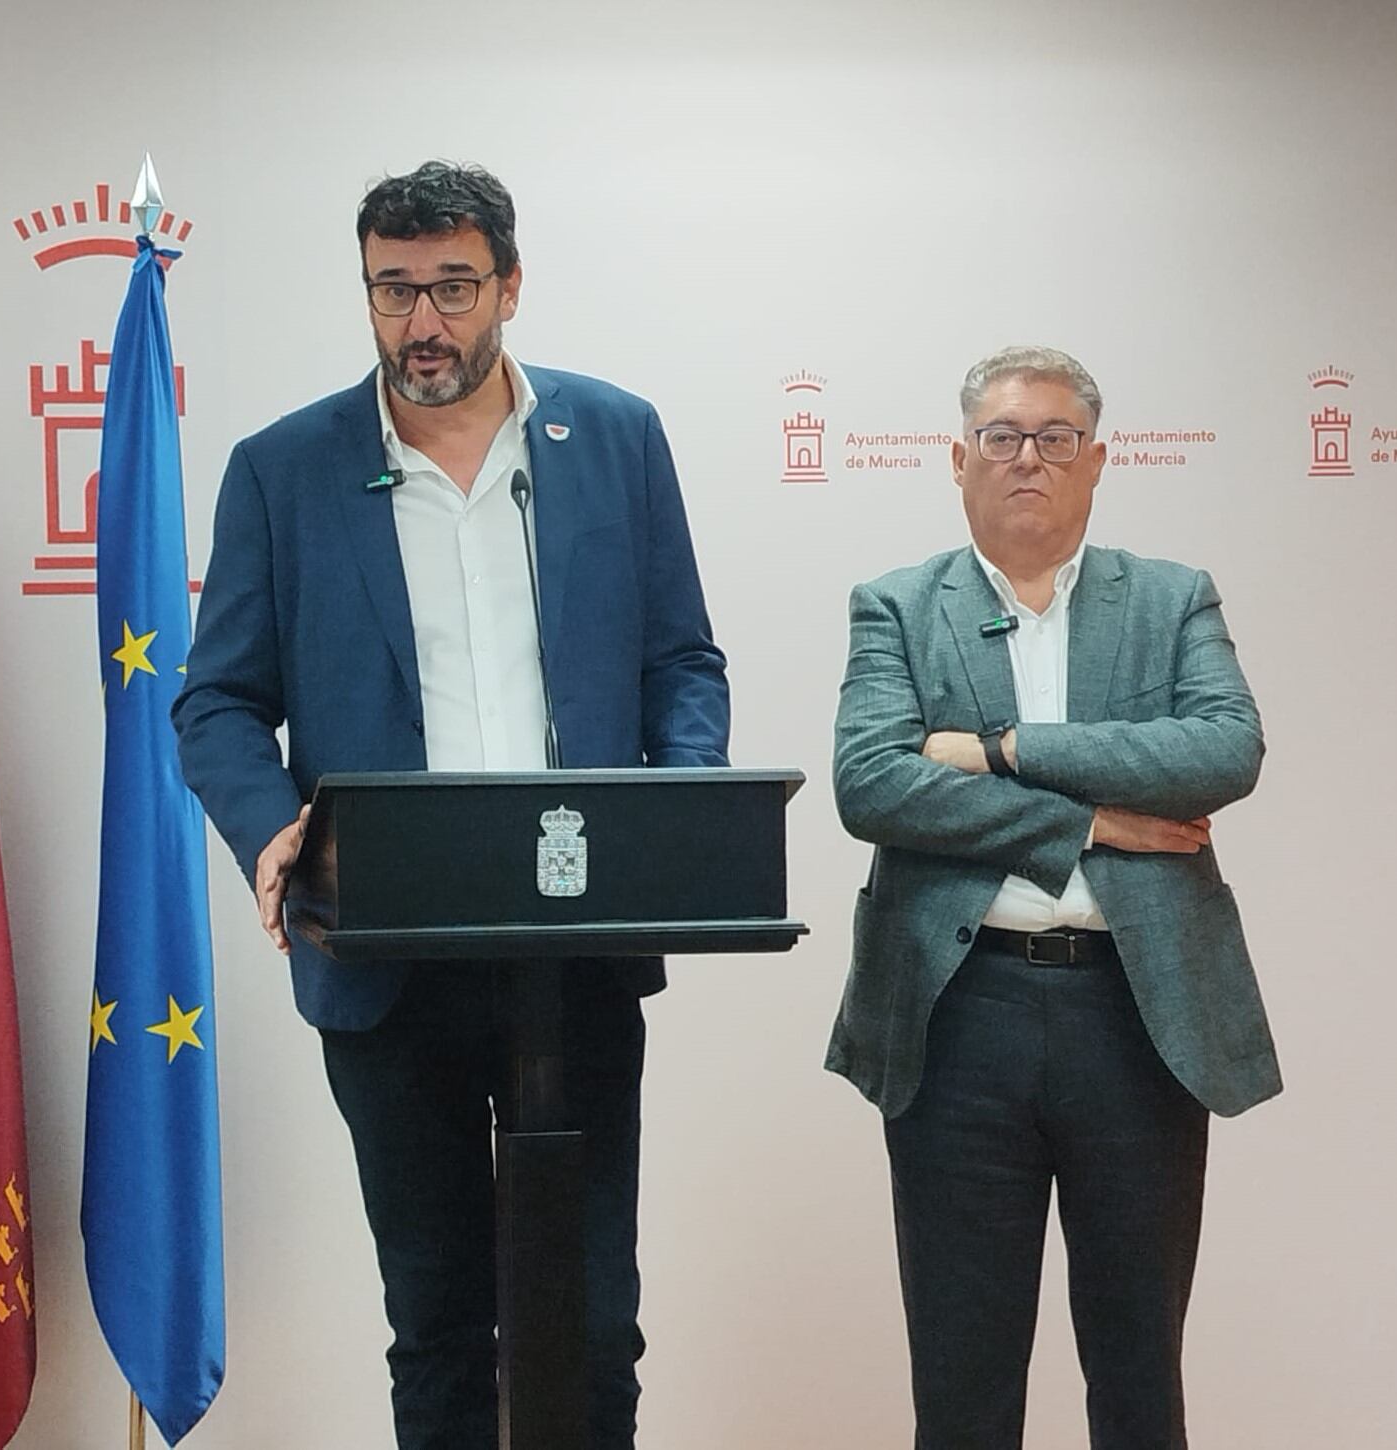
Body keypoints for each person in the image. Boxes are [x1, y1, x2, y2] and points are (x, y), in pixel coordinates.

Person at [173, 161, 728, 1450]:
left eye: (452, 290)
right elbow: (215, 703)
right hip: (387, 957)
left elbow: (679, 664)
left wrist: (676, 812)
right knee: (434, 1320)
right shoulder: (284, 469)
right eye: (393, 292)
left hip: (573, 947)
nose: (423, 324)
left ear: (510, 288)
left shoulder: (616, 437)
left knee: (591, 1319)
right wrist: (273, 833)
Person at [826, 345, 1281, 1448]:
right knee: (962, 1370)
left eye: (1053, 438)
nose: (1026, 457)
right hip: (957, 1013)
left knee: (1135, 1368)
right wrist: (1084, 822)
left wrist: (1001, 748)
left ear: (1093, 461)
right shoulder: (896, 604)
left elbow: (1223, 750)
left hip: (1136, 1013)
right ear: (957, 458)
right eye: (1001, 437)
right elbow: (871, 782)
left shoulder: (1171, 598)